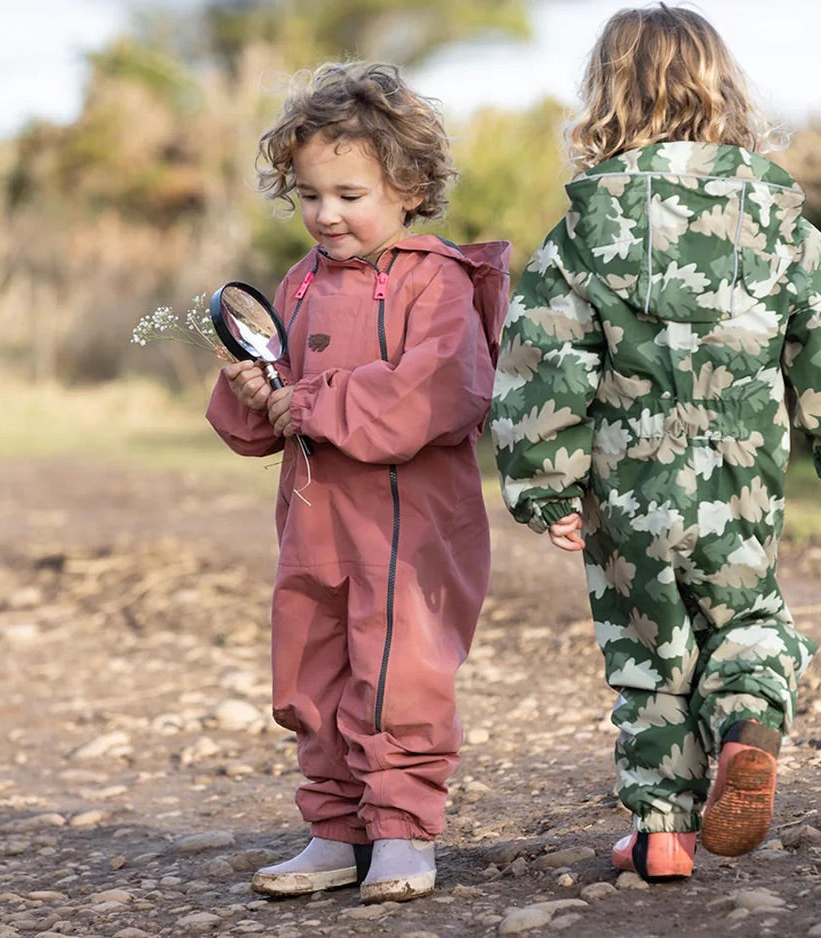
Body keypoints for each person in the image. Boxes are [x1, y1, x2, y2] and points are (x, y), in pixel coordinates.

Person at [491, 4, 821, 883]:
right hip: (742, 478)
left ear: (604, 98)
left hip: (628, 484)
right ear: (722, 94)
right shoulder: (786, 225)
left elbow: (542, 366)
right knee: (746, 620)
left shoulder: (583, 235)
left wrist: (546, 489)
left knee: (648, 650)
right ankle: (750, 723)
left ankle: (661, 836)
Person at [207, 61, 510, 904]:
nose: (326, 214)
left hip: (413, 529)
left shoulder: (437, 279)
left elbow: (435, 395)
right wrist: (252, 397)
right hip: (314, 523)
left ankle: (403, 831)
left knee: (401, 672)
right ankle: (334, 830)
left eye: (348, 194)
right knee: (313, 670)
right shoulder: (299, 282)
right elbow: (259, 419)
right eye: (308, 195)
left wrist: (301, 401)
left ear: (410, 186)